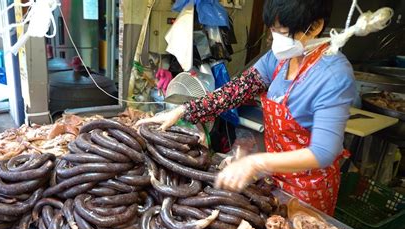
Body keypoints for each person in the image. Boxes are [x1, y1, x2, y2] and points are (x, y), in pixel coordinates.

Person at [136, 0, 356, 216]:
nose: (276, 39)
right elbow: (235, 91)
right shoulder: (278, 60)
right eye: (273, 30)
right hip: (275, 177)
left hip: (309, 189)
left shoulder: (334, 76)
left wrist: (256, 162)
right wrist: (183, 111)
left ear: (315, 26)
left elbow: (324, 152)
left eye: (284, 31)